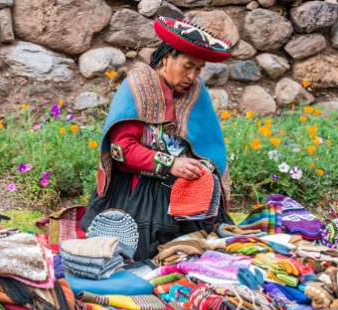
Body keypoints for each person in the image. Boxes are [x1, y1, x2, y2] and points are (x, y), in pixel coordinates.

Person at [80, 16, 234, 263]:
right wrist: (171, 164)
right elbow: (122, 150)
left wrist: (200, 168)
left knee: (205, 248)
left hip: (184, 190)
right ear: (166, 59)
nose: (193, 75)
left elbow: (206, 145)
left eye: (198, 69)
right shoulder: (138, 86)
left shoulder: (196, 91)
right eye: (187, 66)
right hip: (138, 190)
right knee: (141, 255)